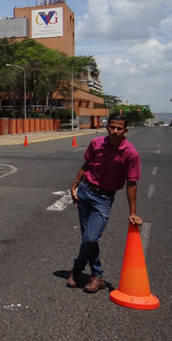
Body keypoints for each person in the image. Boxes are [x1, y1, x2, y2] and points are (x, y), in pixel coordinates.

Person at [67, 113, 142, 293]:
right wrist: (75, 185)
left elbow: (131, 183)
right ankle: (97, 276)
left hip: (104, 198)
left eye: (119, 128)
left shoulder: (131, 153)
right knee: (88, 238)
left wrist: (133, 211)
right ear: (107, 127)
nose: (115, 131)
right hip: (85, 192)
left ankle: (78, 269)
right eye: (112, 127)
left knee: (91, 238)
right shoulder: (97, 143)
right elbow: (87, 165)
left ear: (126, 130)